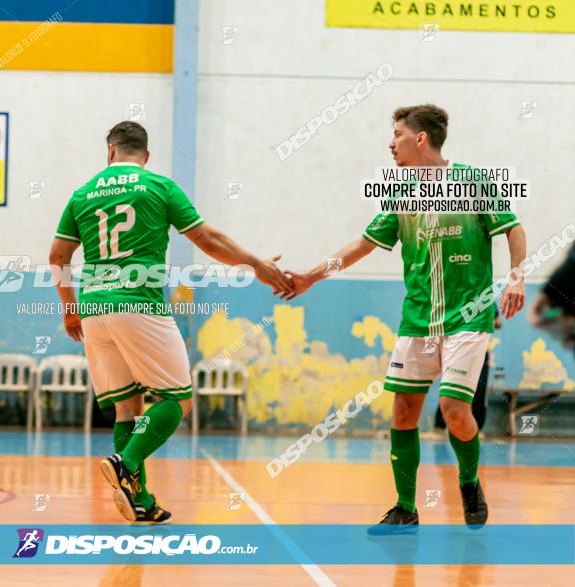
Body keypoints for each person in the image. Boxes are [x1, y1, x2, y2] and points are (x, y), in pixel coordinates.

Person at [285, 105, 526, 534]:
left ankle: (469, 481)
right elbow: (362, 244)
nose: (389, 143)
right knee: (403, 410)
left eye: (396, 134)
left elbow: (513, 228)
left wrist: (516, 278)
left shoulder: (473, 181)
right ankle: (404, 507)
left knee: (454, 409)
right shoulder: (401, 193)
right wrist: (311, 276)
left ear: (420, 139)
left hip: (468, 317)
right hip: (417, 320)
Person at [49, 121, 292, 524]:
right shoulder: (159, 186)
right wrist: (257, 266)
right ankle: (126, 463)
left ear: (109, 151)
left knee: (128, 409)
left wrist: (70, 308)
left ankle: (140, 499)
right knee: (177, 400)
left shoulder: (82, 194)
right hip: (138, 305)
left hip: (94, 309)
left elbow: (58, 257)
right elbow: (208, 240)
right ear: (146, 155)